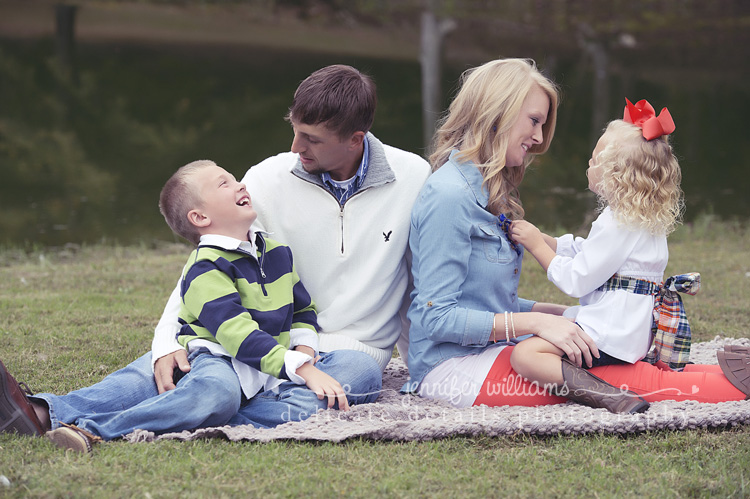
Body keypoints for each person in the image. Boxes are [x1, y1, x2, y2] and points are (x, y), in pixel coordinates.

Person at [403, 58, 750, 413]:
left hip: (486, 351)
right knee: (635, 381)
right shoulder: (449, 196)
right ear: (498, 112)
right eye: (534, 121)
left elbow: (483, 304)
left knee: (624, 365)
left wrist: (555, 313)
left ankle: (736, 374)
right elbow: (437, 317)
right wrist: (538, 322)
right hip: (453, 369)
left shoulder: (490, 190)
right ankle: (735, 387)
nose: (539, 138)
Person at [0, 159, 380, 452]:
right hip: (224, 361)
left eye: (234, 179)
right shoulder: (205, 267)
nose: (240, 184)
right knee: (217, 394)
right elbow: (235, 334)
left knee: (361, 369)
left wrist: (306, 352)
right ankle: (92, 430)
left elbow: (301, 309)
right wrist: (301, 369)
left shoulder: (274, 250)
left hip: (273, 369)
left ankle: (218, 417)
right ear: (200, 217)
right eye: (224, 183)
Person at [152, 64, 431, 403]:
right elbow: (209, 263)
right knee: (163, 370)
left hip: (353, 353)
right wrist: (166, 342)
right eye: (296, 130)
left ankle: (215, 407)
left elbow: (419, 280)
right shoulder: (267, 177)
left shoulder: (414, 177)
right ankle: (73, 416)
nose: (296, 146)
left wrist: (423, 364)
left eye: (312, 139)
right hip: (267, 345)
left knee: (345, 386)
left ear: (355, 140)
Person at [508, 100, 695, 413]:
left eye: (594, 160)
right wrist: (549, 240)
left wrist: (536, 247)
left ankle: (610, 397)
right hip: (628, 332)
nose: (588, 166)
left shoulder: (616, 221)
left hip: (610, 334)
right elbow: (595, 255)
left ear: (614, 173)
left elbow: (577, 279)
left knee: (525, 355)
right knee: (553, 320)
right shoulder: (641, 219)